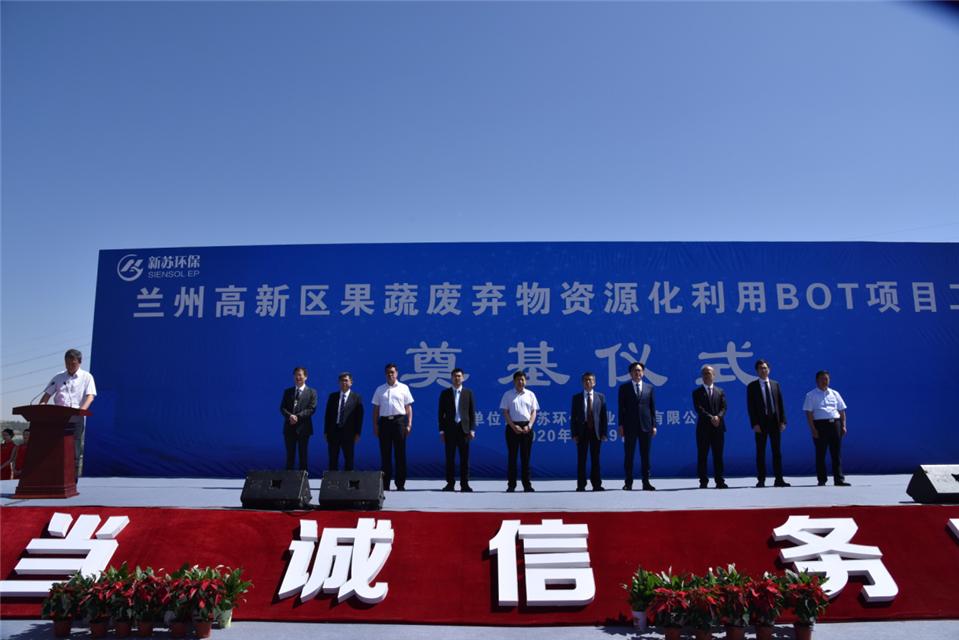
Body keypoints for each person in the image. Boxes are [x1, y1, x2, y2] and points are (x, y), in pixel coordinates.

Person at [39, 349, 96, 478]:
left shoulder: (87, 377)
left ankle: (72, 479)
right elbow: (46, 396)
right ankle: (55, 477)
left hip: (76, 417)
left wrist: (81, 411)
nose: (69, 366)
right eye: (67, 363)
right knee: (55, 448)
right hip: (57, 418)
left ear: (79, 362)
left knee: (74, 449)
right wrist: (41, 407)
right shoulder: (58, 377)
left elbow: (90, 397)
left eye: (72, 363)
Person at [746, 359, 790, 488]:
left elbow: (780, 404)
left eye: (765, 368)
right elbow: (751, 407)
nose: (763, 370)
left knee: (777, 452)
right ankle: (761, 480)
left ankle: (779, 479)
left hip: (775, 422)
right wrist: (754, 423)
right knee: (761, 452)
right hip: (761, 423)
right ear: (757, 371)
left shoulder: (775, 384)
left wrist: (783, 421)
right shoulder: (752, 386)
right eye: (760, 368)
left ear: (769, 370)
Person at [802, 370, 850, 487]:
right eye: (822, 379)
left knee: (836, 453)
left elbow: (842, 411)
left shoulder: (835, 393)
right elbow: (809, 413)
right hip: (820, 426)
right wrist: (813, 429)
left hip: (835, 424)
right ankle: (822, 479)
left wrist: (843, 425)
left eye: (827, 379)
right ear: (817, 380)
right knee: (821, 453)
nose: (825, 381)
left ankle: (839, 479)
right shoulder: (811, 395)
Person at [372, 363, 414, 491]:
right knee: (385, 454)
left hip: (399, 422)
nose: (390, 374)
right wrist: (375, 425)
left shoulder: (404, 388)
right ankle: (385, 484)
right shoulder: (380, 389)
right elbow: (376, 409)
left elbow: (408, 407)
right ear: (385, 374)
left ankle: (400, 484)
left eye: (392, 372)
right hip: (384, 423)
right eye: (388, 372)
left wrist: (409, 424)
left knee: (400, 454)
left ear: (397, 373)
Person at [617, 361, 657, 490]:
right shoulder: (624, 388)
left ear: (643, 373)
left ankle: (646, 482)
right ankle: (628, 483)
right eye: (635, 370)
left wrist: (654, 425)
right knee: (629, 456)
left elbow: (652, 408)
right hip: (629, 427)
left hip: (646, 426)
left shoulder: (649, 388)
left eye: (639, 370)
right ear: (630, 373)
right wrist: (621, 425)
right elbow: (621, 408)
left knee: (645, 456)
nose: (637, 373)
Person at [499, 371, 540, 492]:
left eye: (522, 379)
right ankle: (511, 485)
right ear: (514, 381)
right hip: (512, 428)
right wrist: (513, 426)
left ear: (525, 381)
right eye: (518, 380)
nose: (520, 382)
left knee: (525, 458)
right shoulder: (508, 394)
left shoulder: (530, 394)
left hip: (527, 428)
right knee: (512, 457)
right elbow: (505, 412)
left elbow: (534, 411)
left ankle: (527, 485)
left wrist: (530, 425)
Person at [437, 368, 476, 492]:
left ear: (463, 378)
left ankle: (465, 484)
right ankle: (450, 484)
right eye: (455, 376)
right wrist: (441, 431)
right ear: (451, 378)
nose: (457, 378)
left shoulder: (468, 393)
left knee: (464, 459)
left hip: (464, 430)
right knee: (450, 459)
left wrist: (472, 429)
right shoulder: (445, 393)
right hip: (450, 430)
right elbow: (440, 414)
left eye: (459, 376)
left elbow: (472, 413)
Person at [692, 365, 728, 489]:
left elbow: (724, 407)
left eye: (709, 373)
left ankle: (720, 481)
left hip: (718, 428)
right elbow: (699, 409)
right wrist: (711, 418)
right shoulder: (697, 392)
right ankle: (703, 481)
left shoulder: (720, 391)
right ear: (702, 376)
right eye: (704, 373)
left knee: (718, 455)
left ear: (714, 375)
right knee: (702, 455)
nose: (707, 375)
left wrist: (718, 417)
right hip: (703, 429)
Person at [570, 372, 607, 492]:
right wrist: (574, 434)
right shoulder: (577, 398)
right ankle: (581, 485)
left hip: (596, 431)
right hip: (582, 431)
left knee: (595, 459)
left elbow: (603, 417)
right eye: (585, 380)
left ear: (594, 382)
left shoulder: (600, 397)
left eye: (590, 380)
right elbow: (573, 417)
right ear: (582, 383)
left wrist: (604, 433)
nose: (587, 382)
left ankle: (596, 484)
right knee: (581, 459)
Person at [279, 367, 317, 472]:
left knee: (303, 456)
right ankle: (288, 479)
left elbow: (312, 409)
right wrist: (290, 416)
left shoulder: (312, 392)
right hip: (289, 428)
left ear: (306, 377)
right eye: (296, 375)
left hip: (304, 429)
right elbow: (282, 408)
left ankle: (303, 480)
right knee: (290, 456)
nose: (298, 377)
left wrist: (297, 416)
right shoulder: (288, 392)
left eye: (300, 375)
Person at [323, 372, 364, 471]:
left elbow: (359, 417)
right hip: (333, 432)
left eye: (346, 380)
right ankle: (332, 480)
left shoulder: (356, 398)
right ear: (339, 382)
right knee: (333, 460)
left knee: (349, 459)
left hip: (349, 433)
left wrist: (358, 433)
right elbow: (327, 415)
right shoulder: (332, 396)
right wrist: (326, 431)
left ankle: (348, 481)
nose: (344, 383)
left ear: (351, 382)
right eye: (341, 381)